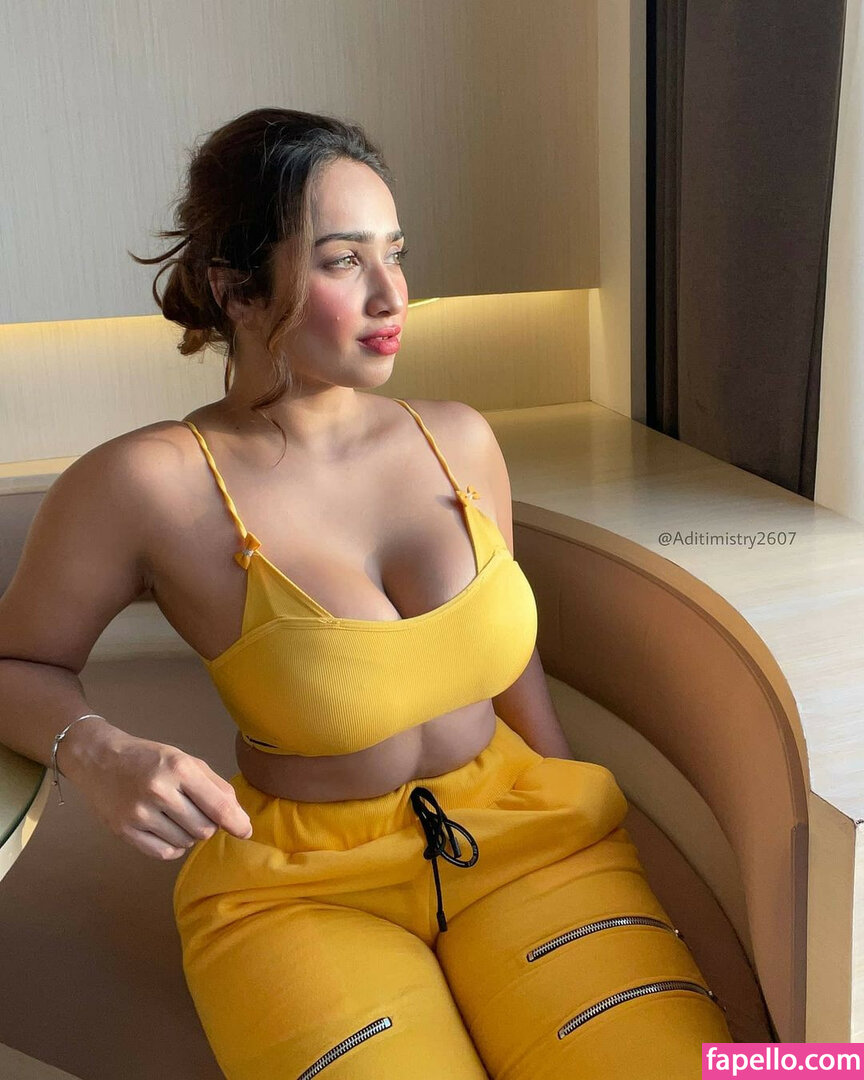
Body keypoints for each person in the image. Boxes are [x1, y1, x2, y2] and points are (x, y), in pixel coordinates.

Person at [0, 108, 731, 1078]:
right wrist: (101, 754)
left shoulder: (458, 438)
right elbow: (16, 663)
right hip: (297, 890)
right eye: (344, 260)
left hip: (529, 836)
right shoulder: (148, 484)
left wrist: (576, 816)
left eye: (396, 253)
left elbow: (511, 664)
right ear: (235, 289)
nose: (393, 294)